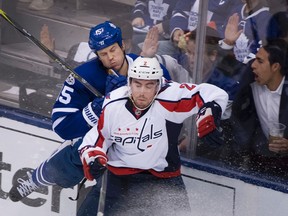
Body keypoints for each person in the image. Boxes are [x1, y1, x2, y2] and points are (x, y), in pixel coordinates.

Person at [8, 21, 171, 205]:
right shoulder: (85, 75)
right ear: (97, 55)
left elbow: (170, 100)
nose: (110, 57)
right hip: (104, 141)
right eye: (103, 54)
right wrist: (93, 110)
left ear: (122, 45)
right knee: (77, 151)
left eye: (113, 50)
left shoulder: (146, 65)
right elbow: (61, 125)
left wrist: (139, 74)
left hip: (139, 141)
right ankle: (35, 179)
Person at [77, 56, 229, 215]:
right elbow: (97, 139)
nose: (142, 92)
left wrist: (209, 110)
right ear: (129, 83)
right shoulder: (113, 103)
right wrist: (92, 157)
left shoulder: (171, 97)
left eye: (149, 85)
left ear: (158, 85)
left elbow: (210, 93)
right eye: (138, 84)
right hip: (118, 178)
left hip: (162, 178)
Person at [231, 39, 288, 176]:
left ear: (275, 67)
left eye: (260, 61)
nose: (253, 65)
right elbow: (224, 72)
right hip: (259, 159)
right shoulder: (250, 79)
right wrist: (227, 43)